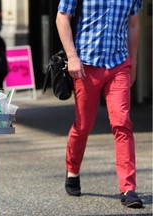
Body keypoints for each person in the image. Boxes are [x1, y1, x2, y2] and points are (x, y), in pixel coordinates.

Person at [56, 0, 143, 208]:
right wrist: (72, 57)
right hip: (85, 64)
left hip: (119, 63)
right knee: (83, 125)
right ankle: (72, 169)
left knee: (122, 122)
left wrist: (133, 62)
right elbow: (62, 17)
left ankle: (128, 188)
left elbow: (133, 23)